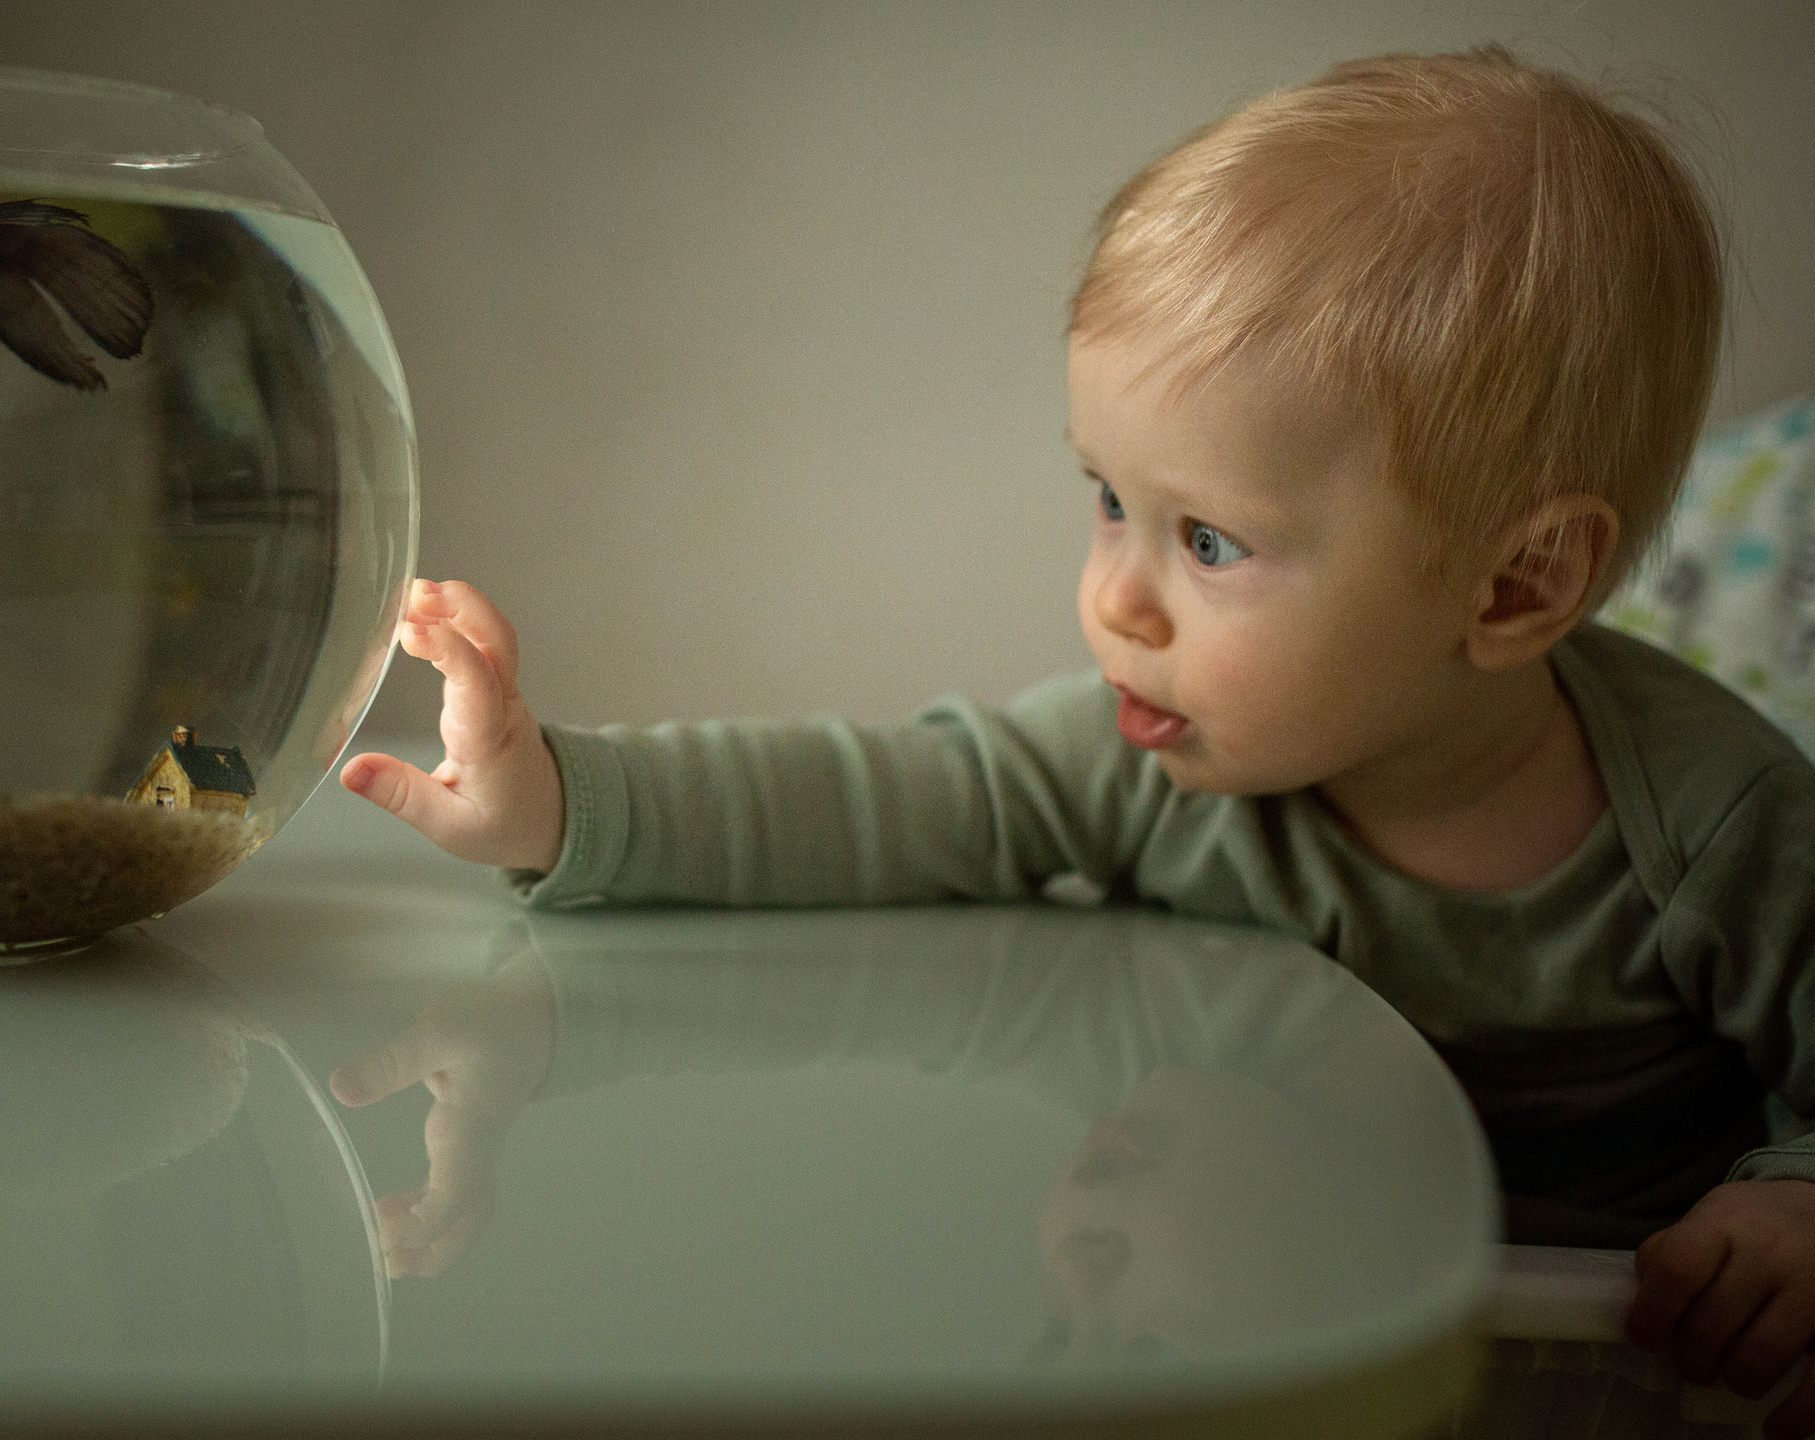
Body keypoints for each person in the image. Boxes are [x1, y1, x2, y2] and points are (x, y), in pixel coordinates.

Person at [330, 45, 1815, 1437]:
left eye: (1211, 541)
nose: (1114, 597)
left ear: (1515, 585)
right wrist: (559, 796)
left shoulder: (1720, 823)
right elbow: (881, 797)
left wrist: (1791, 1205)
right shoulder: (1154, 757)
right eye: (1109, 499)